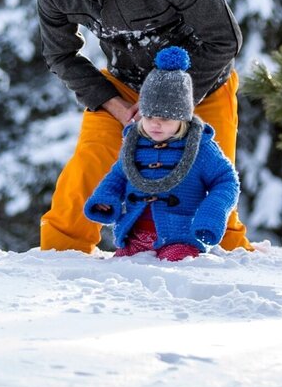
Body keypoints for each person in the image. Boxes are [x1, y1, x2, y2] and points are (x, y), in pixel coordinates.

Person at [36, 0, 251, 254]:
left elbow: (224, 40)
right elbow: (61, 56)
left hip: (201, 81)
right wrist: (117, 107)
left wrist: (172, 104)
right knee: (87, 168)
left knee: (211, 180)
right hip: (125, 88)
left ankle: (227, 261)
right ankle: (59, 256)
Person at [84, 47, 239, 261]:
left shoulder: (200, 147)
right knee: (123, 268)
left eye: (165, 119)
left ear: (182, 118)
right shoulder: (134, 143)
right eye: (149, 117)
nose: (155, 124)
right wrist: (106, 197)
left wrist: (213, 211)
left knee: (173, 266)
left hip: (180, 237)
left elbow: (227, 181)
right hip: (135, 236)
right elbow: (119, 175)